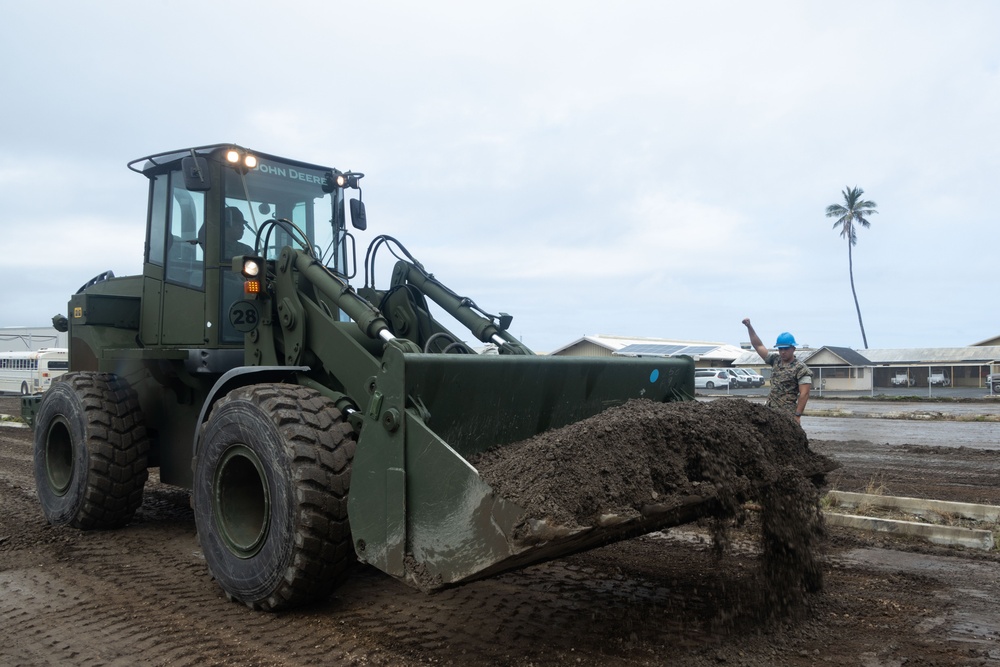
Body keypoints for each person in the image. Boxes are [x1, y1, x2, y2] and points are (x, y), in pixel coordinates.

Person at [742, 317, 811, 423]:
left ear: (793, 349)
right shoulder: (775, 360)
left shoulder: (801, 368)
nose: (783, 352)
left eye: (786, 349)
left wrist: (797, 415)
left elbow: (804, 393)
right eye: (780, 349)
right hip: (770, 411)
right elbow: (758, 345)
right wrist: (749, 327)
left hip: (787, 414)